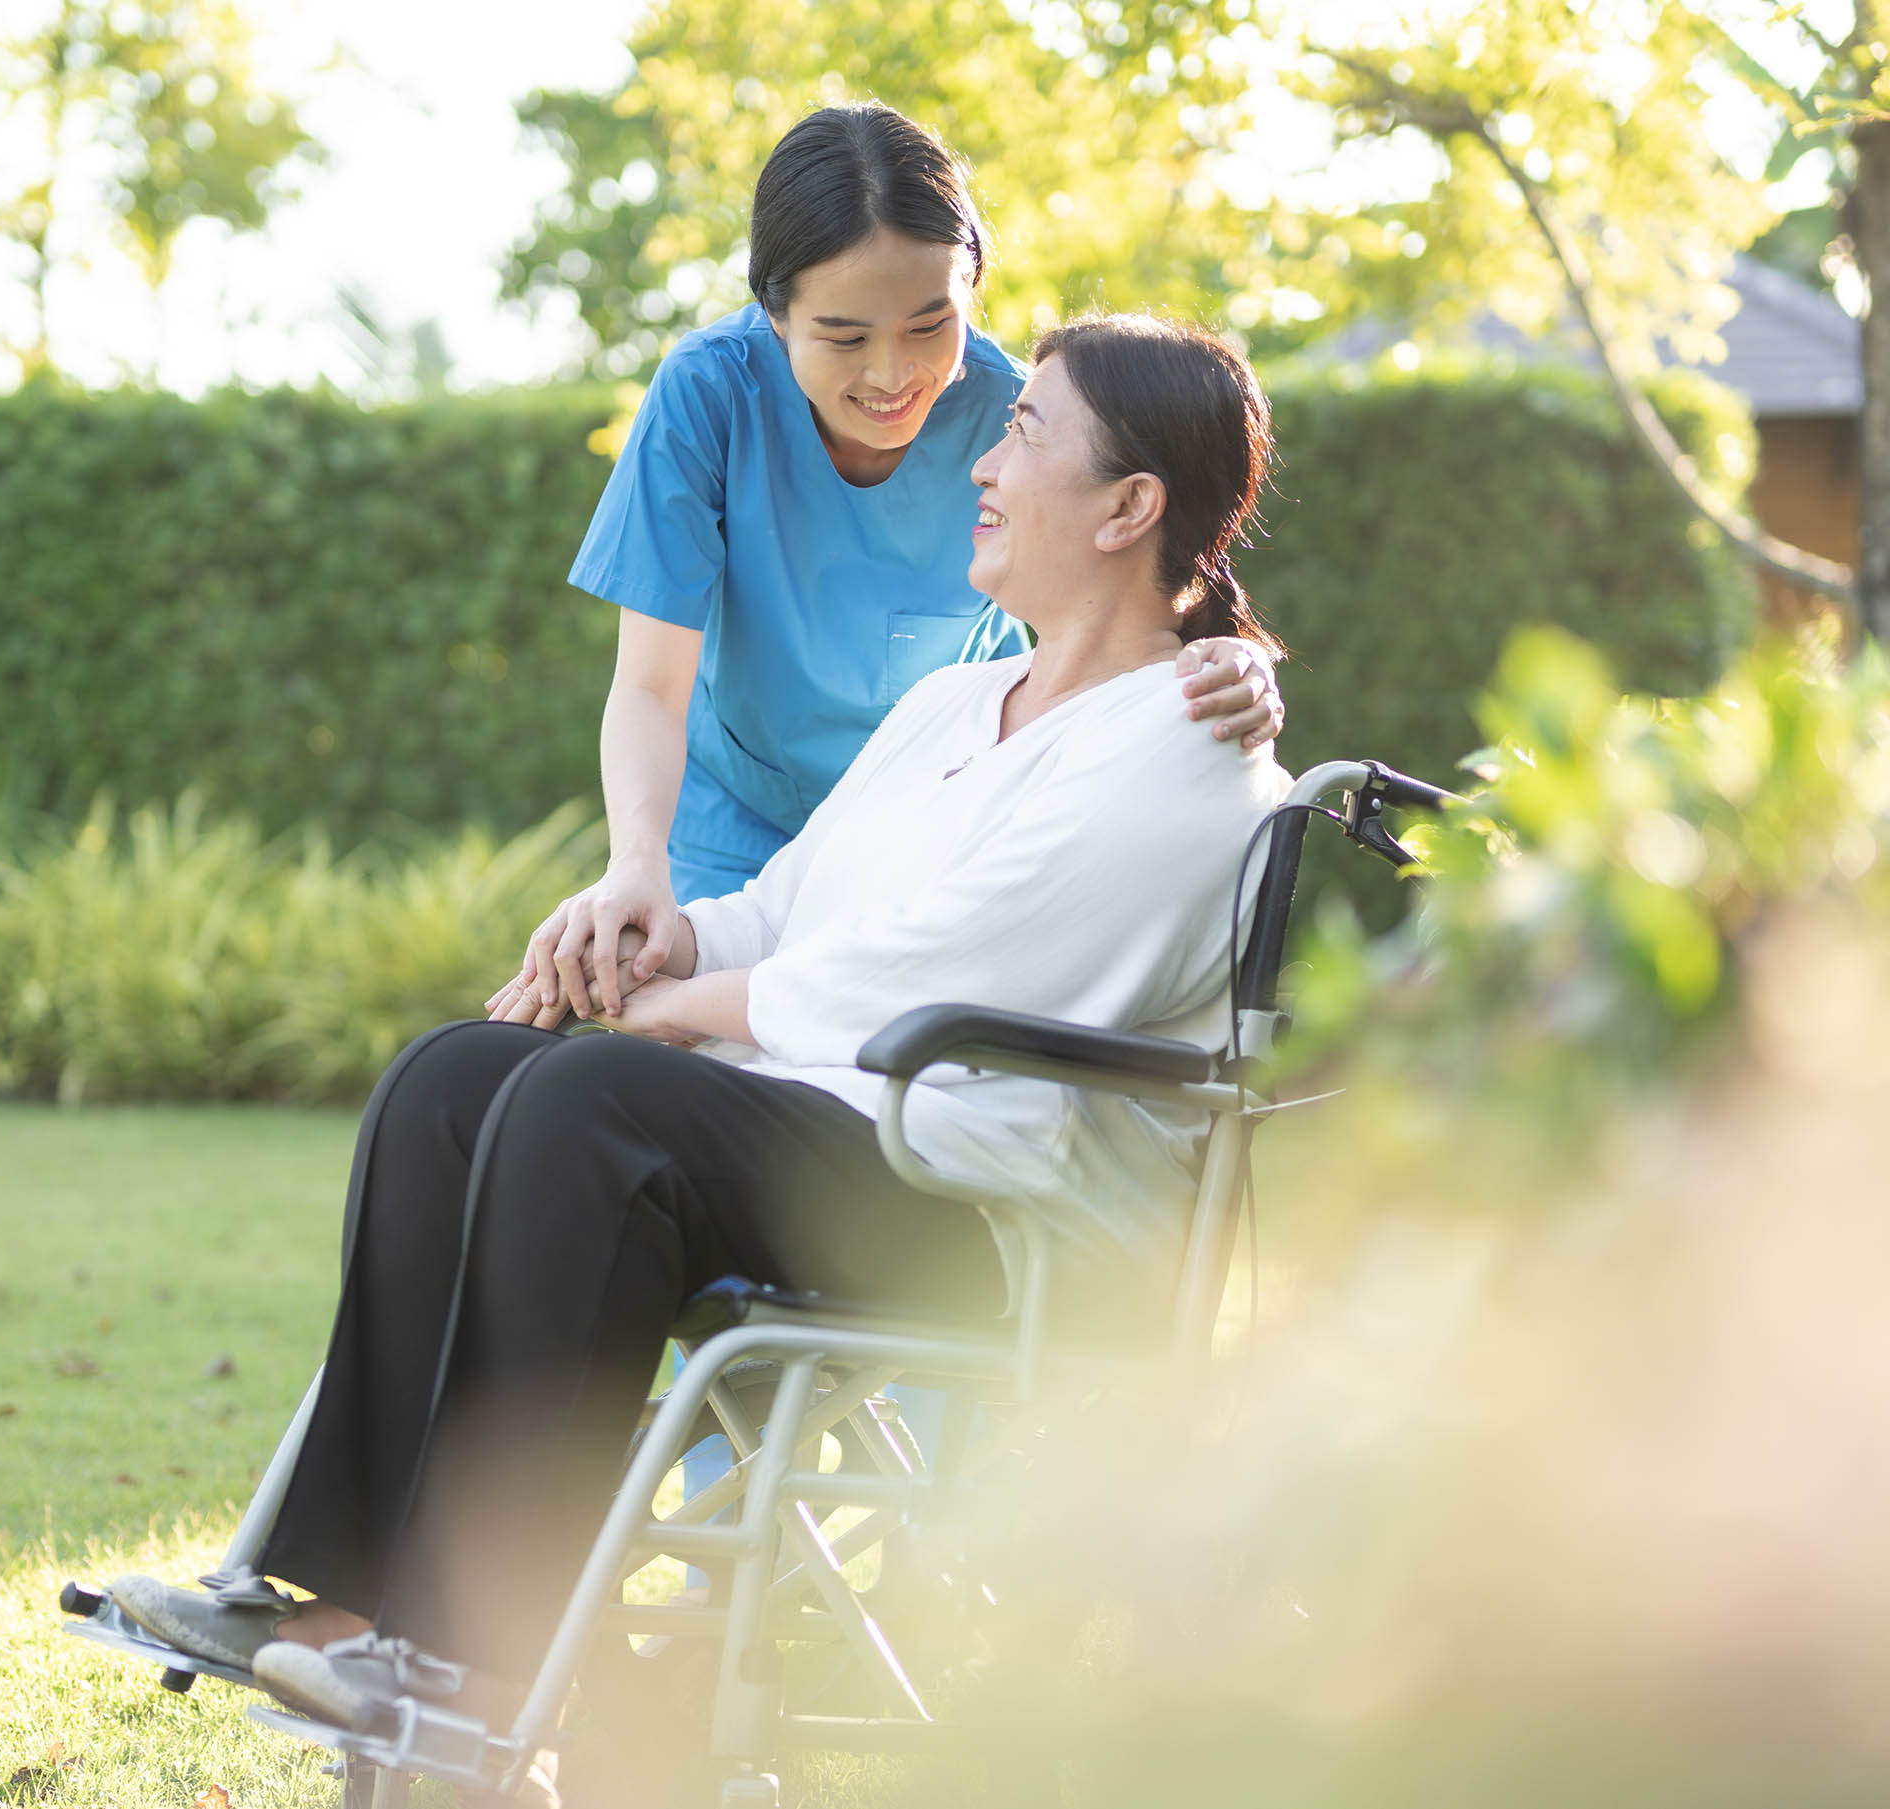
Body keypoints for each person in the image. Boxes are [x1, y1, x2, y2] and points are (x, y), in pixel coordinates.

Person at [104, 315, 1293, 1769]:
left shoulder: (1187, 742)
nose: (981, 463)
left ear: (1131, 505)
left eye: (1024, 432)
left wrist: (687, 1017)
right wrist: (663, 940)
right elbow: (793, 909)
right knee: (454, 1078)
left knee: (600, 1098)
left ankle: (472, 1663)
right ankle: (351, 1611)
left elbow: (940, 973)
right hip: (843, 1137)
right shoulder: (954, 704)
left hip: (989, 1206)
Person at [486, 102, 1283, 1032]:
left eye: (928, 323)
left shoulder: (1012, 411)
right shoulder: (708, 394)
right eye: (844, 336)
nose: (894, 374)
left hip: (927, 828)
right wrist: (635, 866)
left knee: (819, 1073)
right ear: (774, 313)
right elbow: (653, 689)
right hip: (736, 821)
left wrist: (1227, 659)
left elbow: (1112, 606)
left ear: (971, 288)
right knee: (650, 1064)